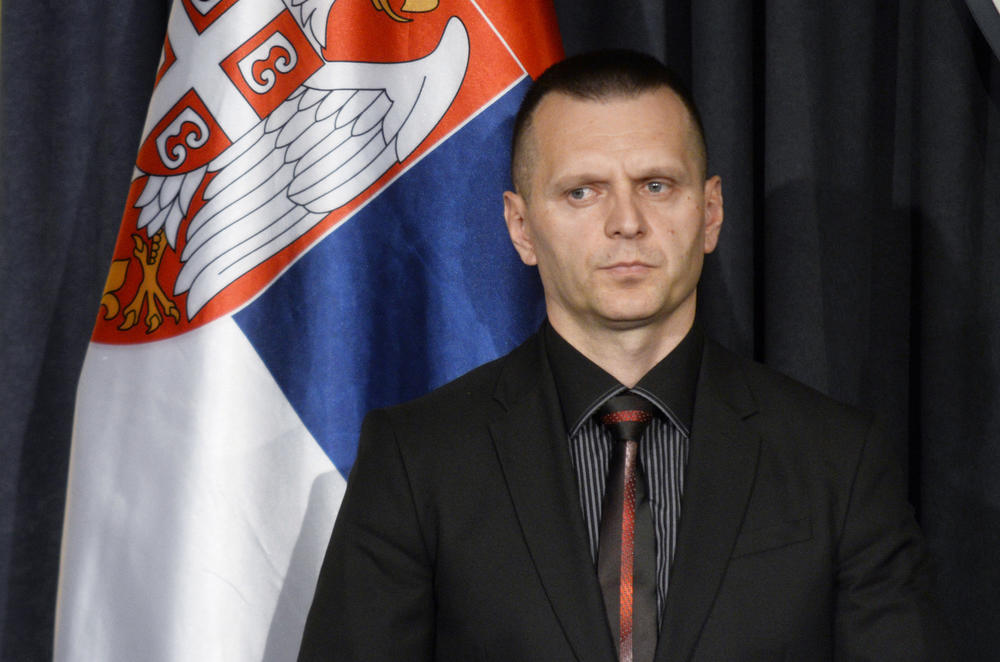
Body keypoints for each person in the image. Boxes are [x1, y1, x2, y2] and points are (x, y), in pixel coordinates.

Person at [298, 50, 950, 661]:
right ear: (521, 228)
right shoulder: (417, 461)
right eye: (582, 192)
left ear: (711, 212)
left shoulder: (838, 460)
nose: (627, 222)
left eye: (657, 185)